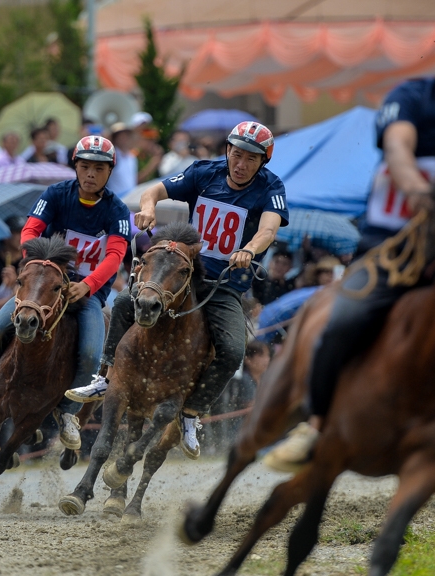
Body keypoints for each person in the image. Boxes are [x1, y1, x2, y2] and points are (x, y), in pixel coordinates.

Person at [264, 2, 435, 474]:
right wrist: (416, 189)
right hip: (391, 246)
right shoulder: (412, 97)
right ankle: (316, 421)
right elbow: (398, 146)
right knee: (345, 319)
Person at [66, 123, 287, 457]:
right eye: (236, 154)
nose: (241, 163)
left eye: (250, 159)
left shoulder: (271, 187)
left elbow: (269, 229)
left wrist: (250, 250)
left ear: (263, 161)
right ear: (227, 151)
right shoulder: (203, 171)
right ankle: (107, 376)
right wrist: (150, 209)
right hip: (185, 274)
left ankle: (191, 413)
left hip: (224, 286)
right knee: (126, 301)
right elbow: (153, 191)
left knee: (232, 349)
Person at [0, 136, 131, 451]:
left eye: (98, 169)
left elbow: (115, 256)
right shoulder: (55, 194)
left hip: (87, 295)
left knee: (89, 354)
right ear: (75, 166)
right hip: (45, 287)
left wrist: (87, 285)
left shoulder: (118, 209)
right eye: (84, 166)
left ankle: (69, 414)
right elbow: (30, 231)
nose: (90, 174)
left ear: (109, 172)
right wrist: (38, 263)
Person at [105, 123, 138, 197]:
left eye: (126, 136)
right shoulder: (111, 156)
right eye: (121, 136)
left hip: (131, 199)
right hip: (116, 199)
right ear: (115, 138)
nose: (124, 139)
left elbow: (133, 180)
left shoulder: (132, 157)